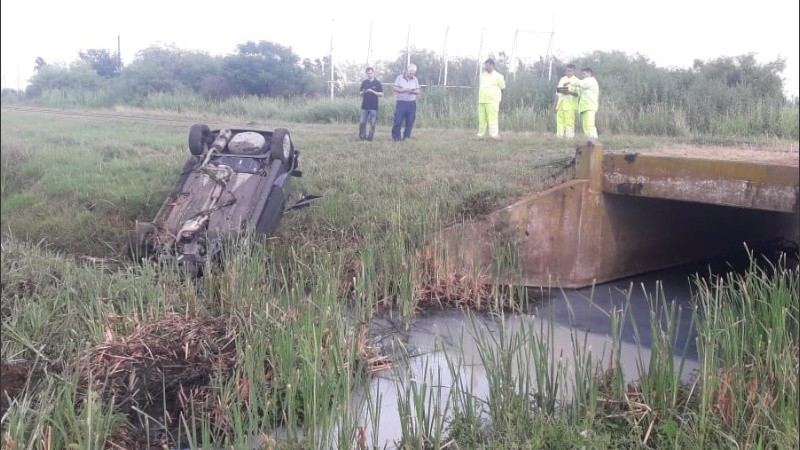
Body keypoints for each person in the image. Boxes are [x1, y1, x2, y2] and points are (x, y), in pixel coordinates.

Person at [477, 58, 506, 139]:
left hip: (492, 101)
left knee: (492, 119)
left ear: (492, 65)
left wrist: (497, 97)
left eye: (487, 65)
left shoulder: (498, 76)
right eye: (485, 65)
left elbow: (502, 88)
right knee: (481, 119)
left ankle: (494, 136)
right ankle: (480, 135)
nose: (485, 67)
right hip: (482, 101)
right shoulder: (483, 75)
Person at [391, 64, 421, 141]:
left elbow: (418, 91)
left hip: (411, 103)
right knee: (398, 120)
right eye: (410, 73)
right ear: (407, 70)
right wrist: (403, 90)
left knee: (410, 120)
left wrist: (412, 92)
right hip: (401, 103)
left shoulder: (415, 79)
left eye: (413, 73)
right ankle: (396, 137)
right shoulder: (399, 78)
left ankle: (406, 137)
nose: (412, 74)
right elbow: (394, 88)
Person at [552, 64, 580, 139]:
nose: (568, 72)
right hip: (560, 104)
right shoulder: (562, 79)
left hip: (570, 105)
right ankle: (559, 137)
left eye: (570, 71)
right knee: (560, 122)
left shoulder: (577, 81)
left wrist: (569, 92)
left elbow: (578, 93)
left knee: (569, 123)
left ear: (574, 71)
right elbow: (557, 92)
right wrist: (554, 105)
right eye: (567, 71)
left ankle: (569, 138)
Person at [358, 67, 383, 141]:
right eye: (368, 73)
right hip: (364, 106)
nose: (369, 75)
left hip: (373, 107)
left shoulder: (377, 83)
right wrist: (363, 92)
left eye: (370, 73)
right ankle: (362, 137)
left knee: (372, 123)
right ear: (366, 74)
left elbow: (381, 94)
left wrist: (372, 91)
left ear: (373, 73)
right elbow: (360, 93)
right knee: (362, 122)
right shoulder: (364, 82)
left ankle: (370, 138)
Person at [577, 67, 600, 140]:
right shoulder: (585, 82)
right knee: (586, 126)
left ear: (589, 73)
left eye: (584, 74)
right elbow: (577, 91)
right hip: (584, 107)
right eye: (582, 74)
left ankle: (594, 142)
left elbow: (580, 83)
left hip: (589, 106)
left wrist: (571, 81)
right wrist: (563, 90)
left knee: (590, 125)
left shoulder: (591, 80)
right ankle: (589, 142)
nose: (582, 76)